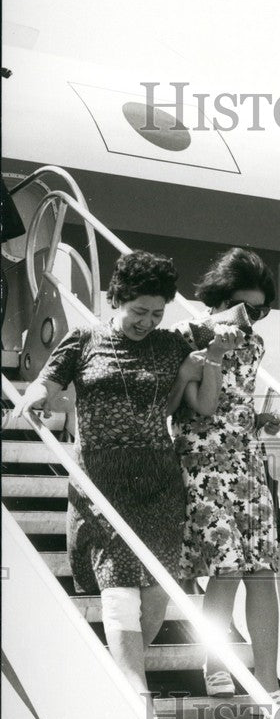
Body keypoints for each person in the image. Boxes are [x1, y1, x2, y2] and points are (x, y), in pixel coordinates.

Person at [12, 250, 223, 695]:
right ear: (116, 300)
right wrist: (33, 397)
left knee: (155, 594)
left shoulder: (171, 346)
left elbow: (210, 388)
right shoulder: (84, 340)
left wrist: (209, 362)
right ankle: (136, 691)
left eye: (157, 313)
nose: (147, 321)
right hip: (101, 482)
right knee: (118, 581)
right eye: (138, 311)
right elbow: (48, 380)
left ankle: (124, 678)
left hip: (159, 483)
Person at [170, 247, 280, 698]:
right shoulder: (187, 334)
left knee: (263, 569)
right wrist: (212, 352)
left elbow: (237, 402)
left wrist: (263, 420)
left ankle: (269, 681)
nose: (251, 318)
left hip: (247, 459)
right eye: (244, 306)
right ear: (219, 297)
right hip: (201, 458)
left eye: (261, 310)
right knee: (227, 566)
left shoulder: (255, 344)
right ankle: (214, 663)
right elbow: (195, 404)